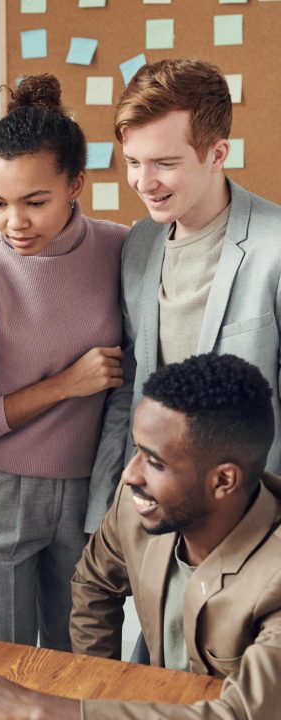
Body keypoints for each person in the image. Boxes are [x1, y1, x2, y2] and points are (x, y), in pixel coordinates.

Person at [0, 352, 281, 720]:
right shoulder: (140, 506)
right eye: (136, 450)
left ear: (223, 480)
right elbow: (94, 583)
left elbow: (241, 715)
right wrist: (94, 688)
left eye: (154, 461)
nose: (129, 475)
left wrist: (41, 708)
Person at [0, 74, 128, 651]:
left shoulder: (121, 249)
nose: (14, 222)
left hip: (91, 488)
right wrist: (65, 385)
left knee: (80, 665)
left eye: (34, 201)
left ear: (77, 186)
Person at [92, 58, 281, 508]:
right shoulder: (138, 243)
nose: (143, 181)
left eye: (164, 163)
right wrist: (106, 505)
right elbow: (130, 380)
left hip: (252, 510)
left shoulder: (275, 249)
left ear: (217, 153)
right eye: (133, 161)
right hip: (151, 507)